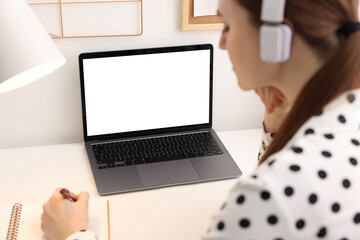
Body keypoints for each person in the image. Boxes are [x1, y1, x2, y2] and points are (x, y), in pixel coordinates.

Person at [41, 0, 360, 239]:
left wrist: (72, 234)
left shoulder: (269, 197)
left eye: (228, 27)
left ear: (276, 41)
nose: (221, 42)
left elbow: (277, 191)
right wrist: (277, 125)